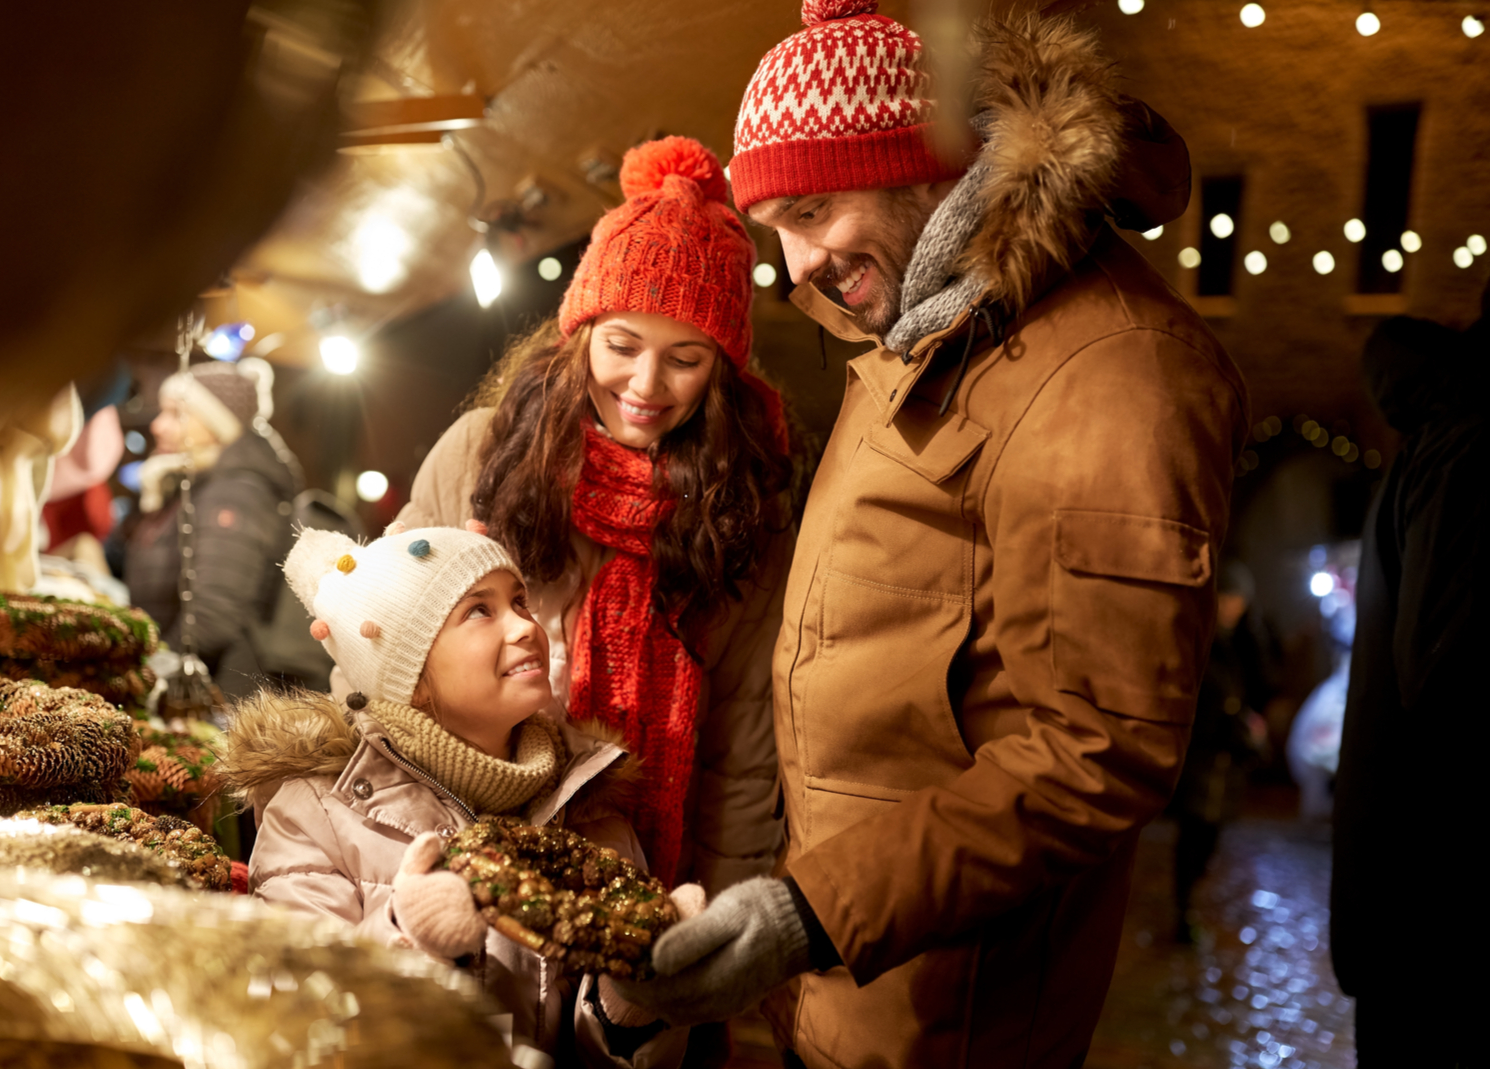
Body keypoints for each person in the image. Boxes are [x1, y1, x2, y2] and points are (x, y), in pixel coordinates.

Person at [618, 5, 1248, 1066]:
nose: (795, 267)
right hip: (852, 988)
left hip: (950, 1018)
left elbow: (1093, 751)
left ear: (922, 172)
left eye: (814, 209)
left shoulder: (1113, 368)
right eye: (774, 224)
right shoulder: (919, 333)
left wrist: (805, 912)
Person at [396, 136, 793, 900]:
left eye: (686, 358)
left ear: (723, 368)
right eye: (622, 344)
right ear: (580, 335)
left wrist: (722, 918)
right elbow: (383, 662)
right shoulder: (480, 455)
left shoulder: (743, 510)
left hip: (649, 879)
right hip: (458, 854)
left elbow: (741, 749)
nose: (647, 384)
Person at [222, 525, 703, 1066]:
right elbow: (297, 1021)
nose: (526, 625)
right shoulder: (316, 816)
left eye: (519, 601)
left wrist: (631, 1005)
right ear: (413, 679)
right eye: (480, 610)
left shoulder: (590, 811)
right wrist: (408, 933)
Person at [1331, 290, 1484, 1067]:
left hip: (1420, 918)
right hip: (1438, 930)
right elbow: (1452, 692)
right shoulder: (1468, 444)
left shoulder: (1453, 436)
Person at [118, 356, 301, 698]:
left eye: (177, 414)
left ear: (218, 425)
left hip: (217, 697)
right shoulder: (195, 483)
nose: (158, 426)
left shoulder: (235, 492)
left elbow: (214, 616)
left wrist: (147, 668)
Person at [1171, 561, 1270, 943]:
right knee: (1194, 837)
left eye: (1239, 600)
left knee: (1208, 838)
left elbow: (1262, 682)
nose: (1234, 606)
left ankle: (1187, 906)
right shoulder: (1202, 639)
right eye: (1227, 597)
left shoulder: (1245, 641)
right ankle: (1182, 912)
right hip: (1202, 755)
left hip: (1227, 758)